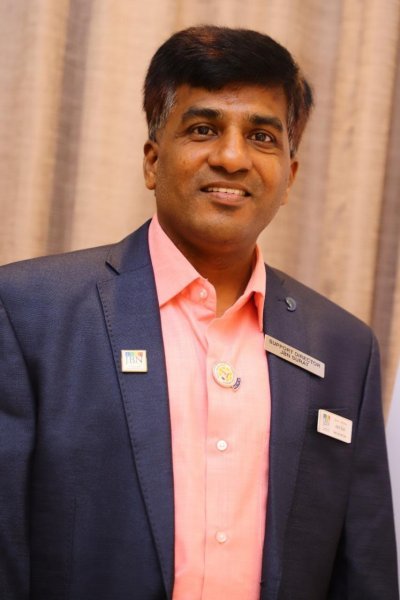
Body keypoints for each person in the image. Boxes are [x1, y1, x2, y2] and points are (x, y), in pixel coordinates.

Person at [0, 25, 397, 600]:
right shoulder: (30, 312)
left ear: (289, 177)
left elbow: (364, 573)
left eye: (262, 136)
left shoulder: (343, 347)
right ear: (152, 160)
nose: (232, 157)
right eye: (204, 129)